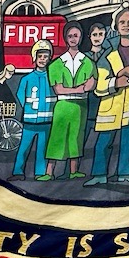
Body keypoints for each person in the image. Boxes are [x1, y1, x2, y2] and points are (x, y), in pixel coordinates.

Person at [85, 4, 129, 186]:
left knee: (128, 142)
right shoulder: (107, 55)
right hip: (109, 108)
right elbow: (100, 86)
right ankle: (99, 174)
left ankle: (126, 172)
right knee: (103, 143)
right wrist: (116, 81)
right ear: (115, 25)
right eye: (122, 21)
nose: (126, 25)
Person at [44, 21, 96, 179]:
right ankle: (49, 172)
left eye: (76, 35)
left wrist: (77, 89)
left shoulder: (88, 62)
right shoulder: (56, 64)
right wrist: (78, 88)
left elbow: (90, 85)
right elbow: (58, 89)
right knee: (57, 137)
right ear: (65, 38)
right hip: (63, 105)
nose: (73, 39)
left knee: (76, 136)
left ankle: (73, 171)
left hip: (80, 106)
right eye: (70, 36)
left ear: (80, 37)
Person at [11, 41, 55, 180]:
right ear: (34, 58)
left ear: (49, 58)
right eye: (40, 56)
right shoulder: (27, 78)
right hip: (29, 121)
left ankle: (40, 173)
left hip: (47, 121)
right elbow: (20, 94)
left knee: (42, 149)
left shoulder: (52, 77)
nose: (42, 59)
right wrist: (28, 109)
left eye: (45, 56)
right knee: (24, 147)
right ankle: (18, 172)